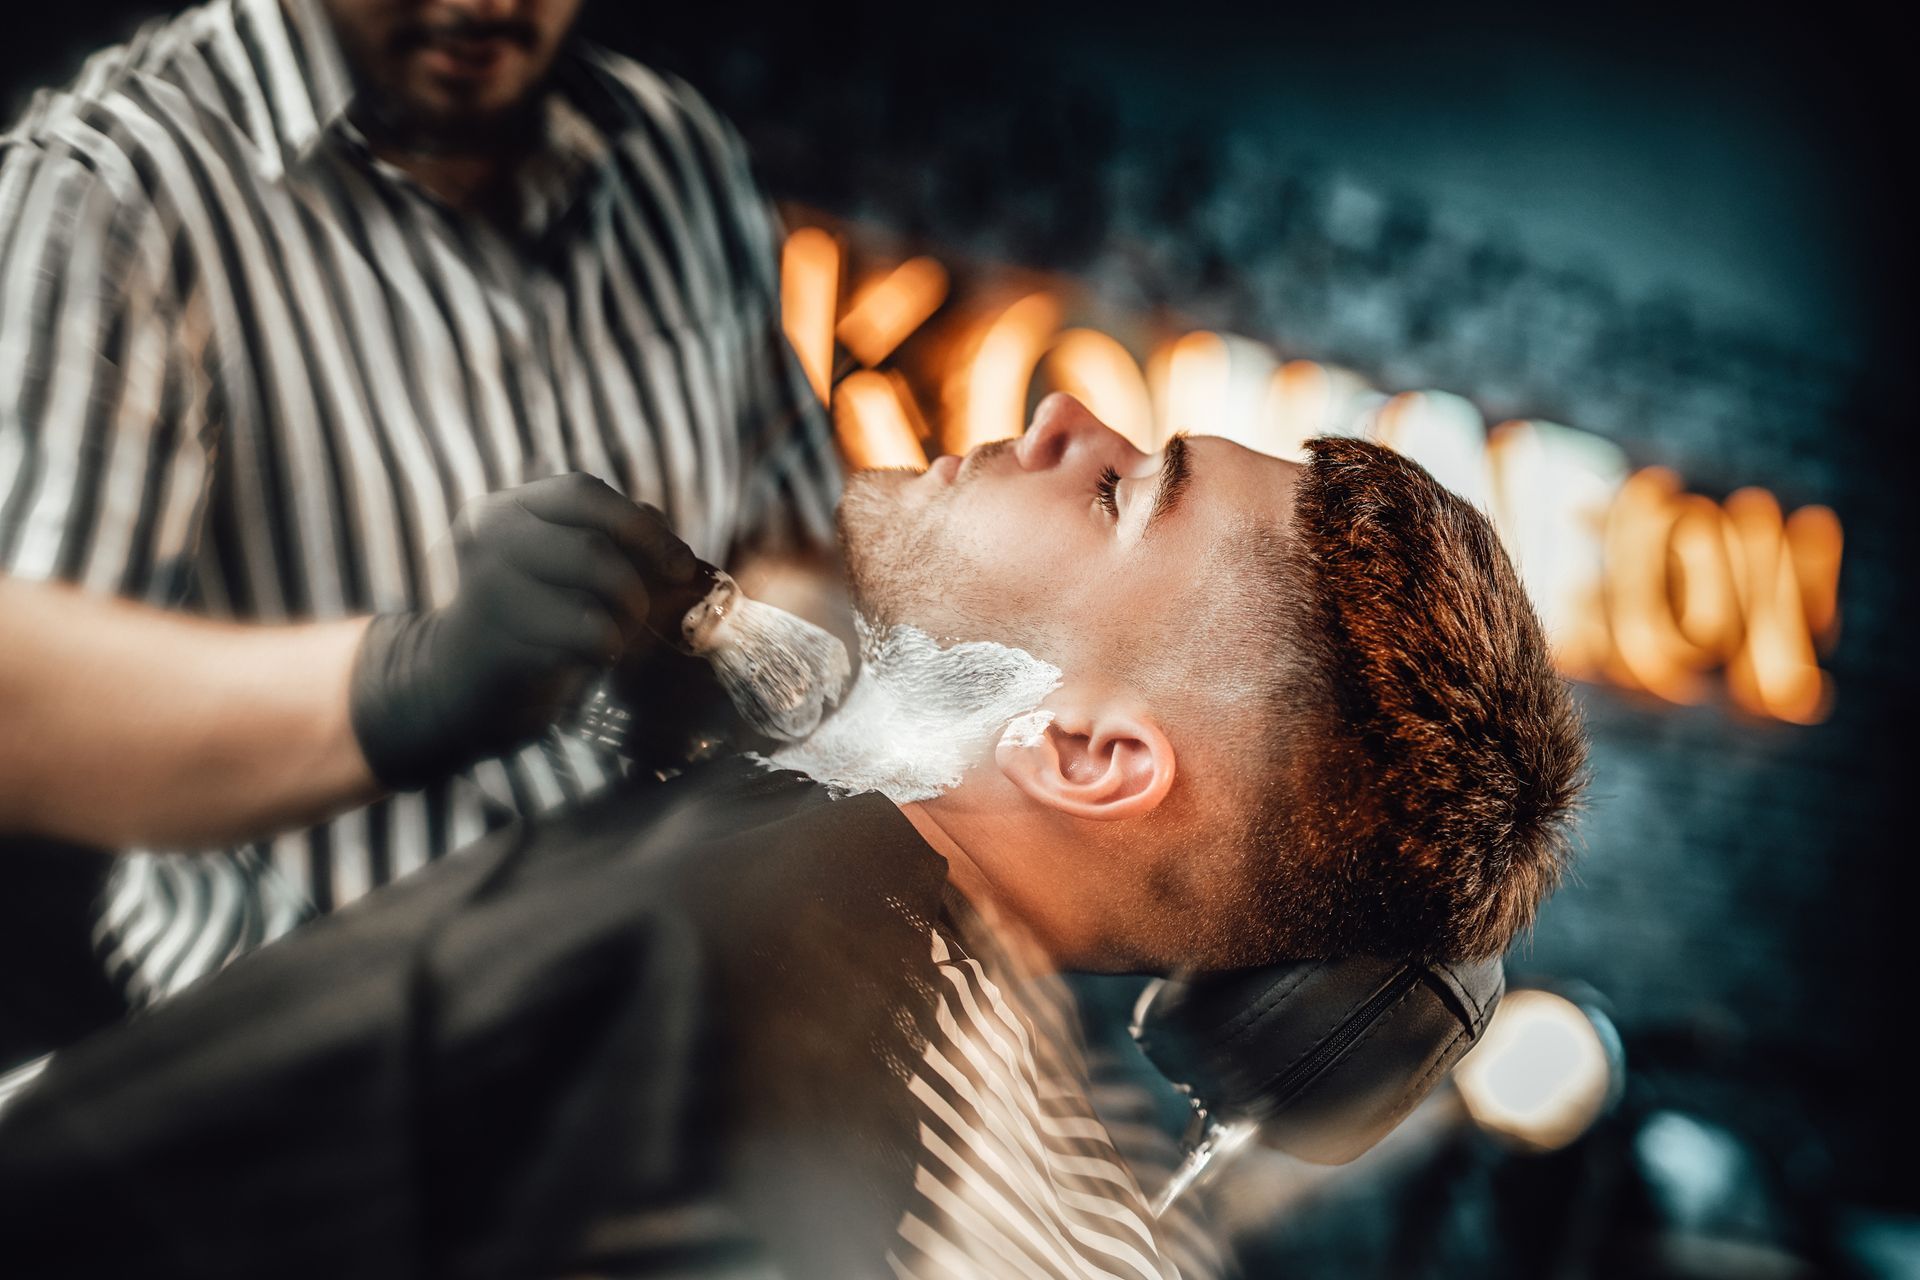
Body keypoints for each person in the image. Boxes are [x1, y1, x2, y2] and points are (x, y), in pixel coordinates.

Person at [0, 394, 1587, 1277]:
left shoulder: (707, 999)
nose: (1062, 419)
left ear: (1088, 752)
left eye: (1124, 496)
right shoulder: (845, 906)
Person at [0, 0, 837, 1077]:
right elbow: (25, 706)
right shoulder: (110, 186)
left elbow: (803, 534)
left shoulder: (675, 150)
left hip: (670, 1045)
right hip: (305, 1081)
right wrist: (407, 683)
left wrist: (732, 655)